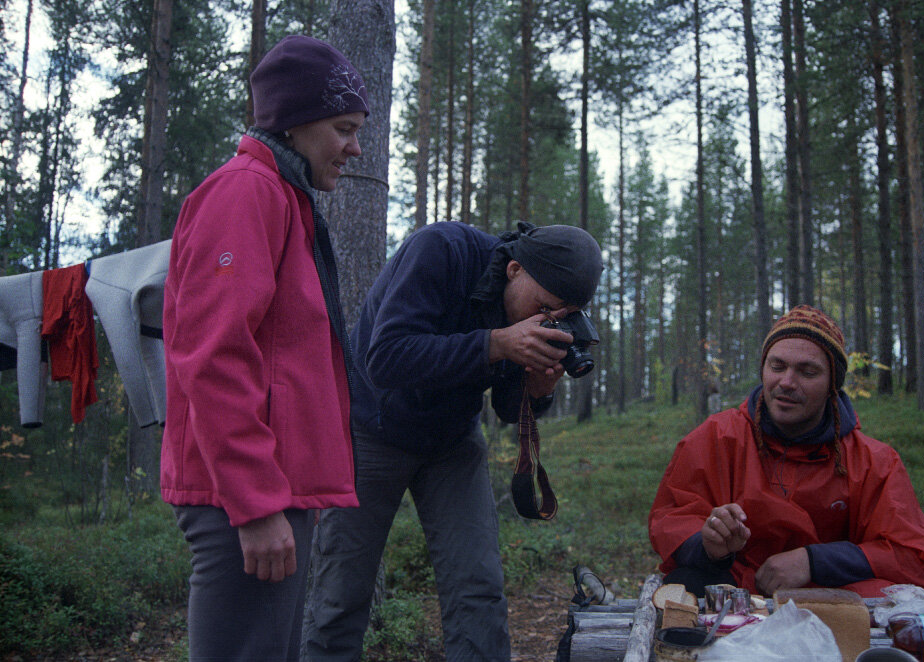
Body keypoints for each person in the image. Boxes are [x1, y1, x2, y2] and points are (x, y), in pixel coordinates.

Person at [303, 220, 603, 661]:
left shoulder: (525, 309)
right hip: (369, 429)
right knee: (340, 596)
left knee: (477, 589)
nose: (545, 320)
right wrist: (497, 343)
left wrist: (536, 391)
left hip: (452, 442)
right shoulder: (442, 251)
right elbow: (384, 358)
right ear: (515, 269)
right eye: (544, 306)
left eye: (560, 316)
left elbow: (506, 406)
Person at [160, 35, 368, 661]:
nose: (356, 147)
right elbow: (213, 352)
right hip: (241, 497)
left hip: (271, 489)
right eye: (343, 128)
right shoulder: (245, 192)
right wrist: (254, 503)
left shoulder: (284, 197)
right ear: (297, 122)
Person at [648, 305, 924, 599]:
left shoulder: (874, 462)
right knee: (683, 585)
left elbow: (917, 560)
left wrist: (814, 562)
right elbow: (671, 518)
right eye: (777, 366)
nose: (787, 383)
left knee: (894, 597)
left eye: (808, 372)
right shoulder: (717, 438)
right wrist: (709, 546)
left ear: (833, 383)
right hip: (737, 597)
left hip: (826, 602)